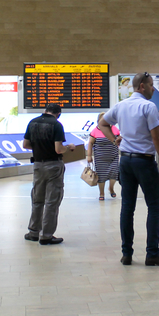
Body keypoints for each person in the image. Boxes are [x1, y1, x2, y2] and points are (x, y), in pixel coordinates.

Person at [99, 72, 159, 266]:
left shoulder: (121, 105)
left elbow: (102, 123)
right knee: (154, 206)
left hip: (125, 161)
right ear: (142, 86)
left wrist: (115, 139)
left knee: (127, 207)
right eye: (151, 85)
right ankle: (152, 253)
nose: (153, 89)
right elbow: (157, 137)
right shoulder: (148, 106)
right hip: (144, 161)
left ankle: (127, 253)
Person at [23, 103, 75, 245]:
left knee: (37, 198)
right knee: (52, 200)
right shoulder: (56, 125)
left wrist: (39, 147)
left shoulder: (32, 122)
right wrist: (68, 147)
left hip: (38, 165)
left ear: (45, 110)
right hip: (53, 165)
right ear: (58, 113)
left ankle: (33, 232)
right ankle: (46, 235)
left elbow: (25, 145)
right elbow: (58, 149)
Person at [86, 111, 120, 200]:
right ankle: (101, 193)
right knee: (101, 176)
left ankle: (111, 188)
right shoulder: (95, 131)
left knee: (114, 174)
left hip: (114, 156)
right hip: (100, 158)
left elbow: (119, 141)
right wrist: (89, 156)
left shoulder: (115, 129)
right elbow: (90, 144)